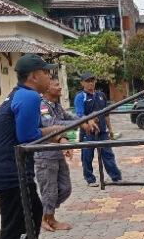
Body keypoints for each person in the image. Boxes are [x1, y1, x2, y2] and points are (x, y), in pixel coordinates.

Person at [0, 54, 64, 239]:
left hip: (12, 169)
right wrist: (56, 130)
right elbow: (27, 137)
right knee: (14, 222)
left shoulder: (22, 94)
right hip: (8, 172)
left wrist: (54, 130)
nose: (49, 75)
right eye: (46, 72)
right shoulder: (28, 96)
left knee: (33, 211)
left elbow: (28, 132)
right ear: (33, 76)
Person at [35, 77, 98, 231]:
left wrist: (85, 120)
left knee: (65, 188)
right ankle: (47, 218)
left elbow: (70, 117)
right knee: (49, 189)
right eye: (56, 85)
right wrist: (81, 124)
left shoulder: (56, 105)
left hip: (57, 152)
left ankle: (44, 213)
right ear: (48, 88)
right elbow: (53, 125)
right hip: (45, 155)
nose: (60, 87)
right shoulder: (43, 106)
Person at [74, 72, 122, 187]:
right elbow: (79, 115)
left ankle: (116, 177)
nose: (91, 83)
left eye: (92, 80)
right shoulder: (80, 97)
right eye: (88, 81)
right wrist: (88, 120)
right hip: (88, 133)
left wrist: (110, 130)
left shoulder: (100, 95)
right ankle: (90, 179)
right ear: (82, 83)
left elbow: (106, 115)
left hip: (102, 132)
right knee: (87, 156)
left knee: (108, 154)